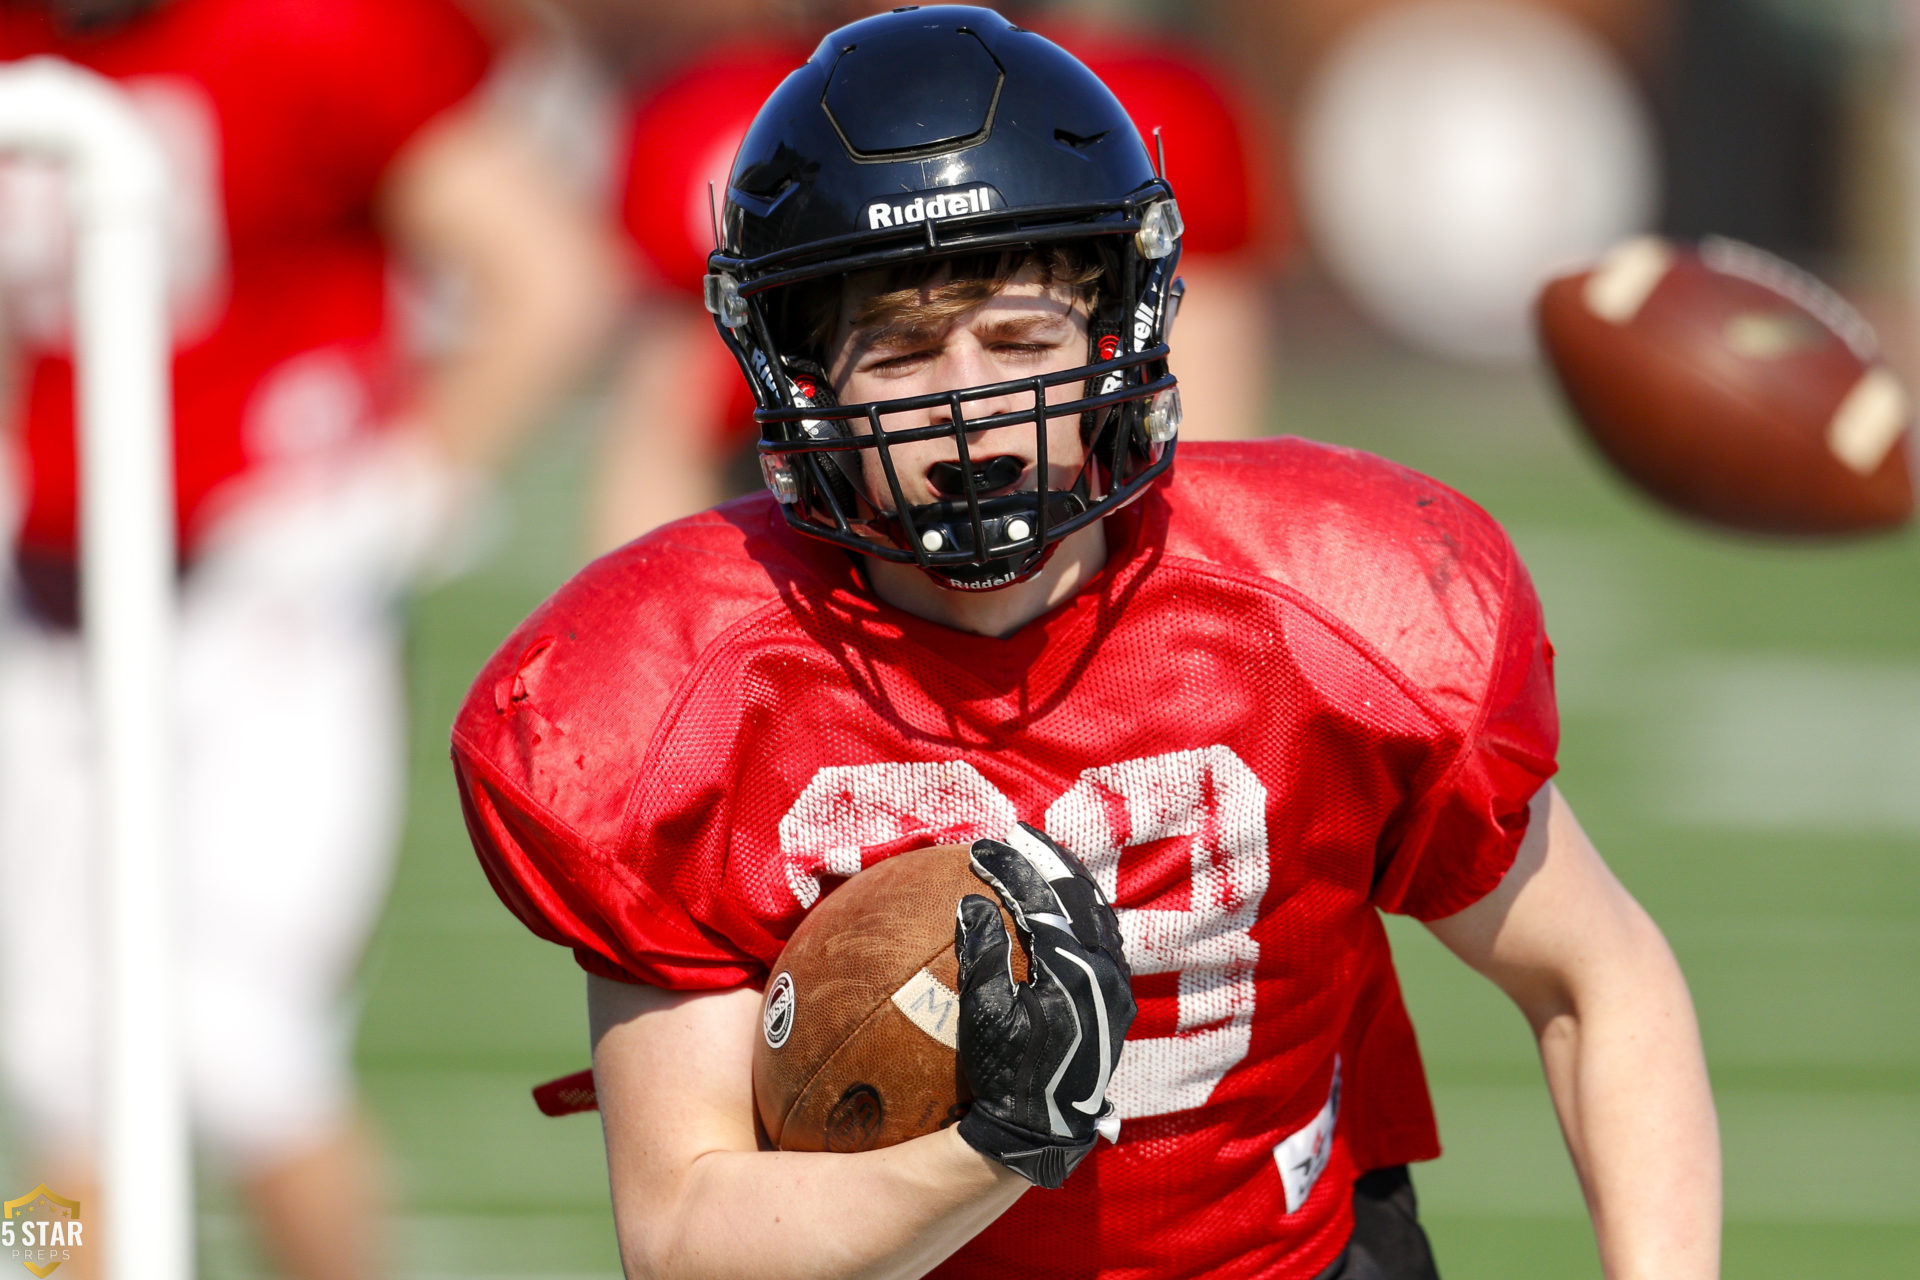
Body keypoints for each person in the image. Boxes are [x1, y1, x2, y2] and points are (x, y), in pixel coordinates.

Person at [452, 8, 1720, 1278]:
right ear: (802, 386)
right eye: (899, 356)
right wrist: (992, 1146)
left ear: (1117, 333)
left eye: (1019, 342)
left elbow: (1596, 982)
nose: (975, 416)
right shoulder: (676, 696)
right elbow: (685, 1236)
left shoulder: (1331, 609)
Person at [0, 1, 621, 1277]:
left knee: (244, 1040)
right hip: (44, 595)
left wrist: (390, 495)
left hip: (264, 598)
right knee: (59, 1058)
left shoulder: (301, 28)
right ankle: (39, 1262)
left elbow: (551, 274)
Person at [585, 0, 1285, 551]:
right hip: (821, 503)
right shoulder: (718, 107)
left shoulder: (1145, 97)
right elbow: (665, 428)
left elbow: (1204, 425)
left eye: (1020, 342)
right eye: (908, 349)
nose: (969, 400)